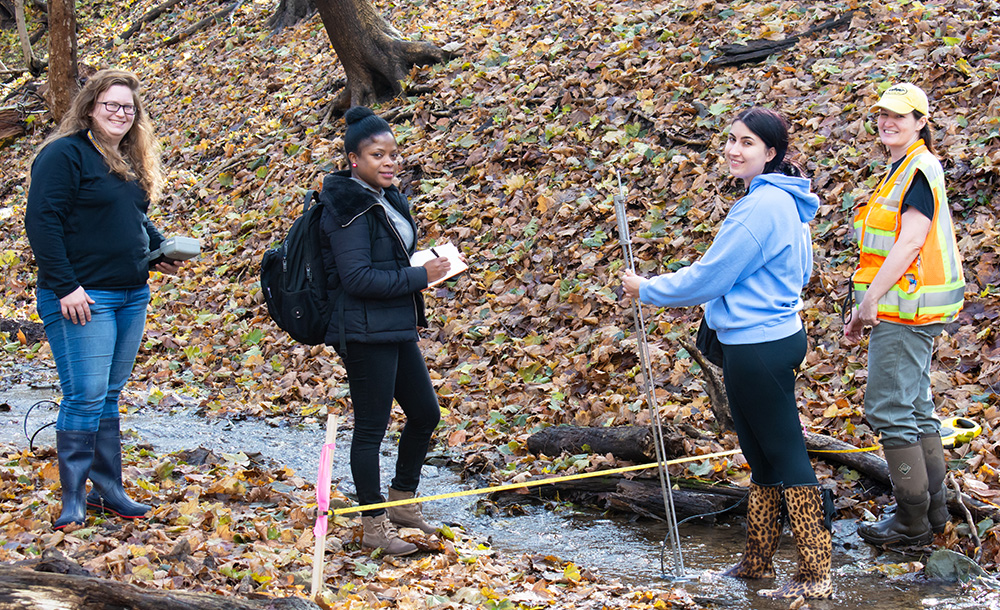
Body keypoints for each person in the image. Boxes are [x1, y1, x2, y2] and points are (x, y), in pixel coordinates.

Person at [622, 107, 832, 599]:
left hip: (761, 344)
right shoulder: (778, 201)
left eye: (748, 143)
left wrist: (647, 288)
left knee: (784, 453)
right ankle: (757, 561)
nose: (735, 150)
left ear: (771, 153)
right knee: (759, 455)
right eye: (732, 140)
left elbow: (712, 275)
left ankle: (817, 575)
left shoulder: (764, 207)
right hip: (759, 339)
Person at [25, 69, 184, 529]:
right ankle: (73, 498)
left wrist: (157, 252)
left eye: (128, 108)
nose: (120, 113)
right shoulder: (64, 154)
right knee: (86, 394)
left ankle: (107, 491)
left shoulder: (126, 158)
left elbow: (131, 219)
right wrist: (65, 286)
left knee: (109, 395)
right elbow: (42, 222)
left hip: (131, 294)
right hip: (82, 295)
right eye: (111, 105)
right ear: (90, 106)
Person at [318, 106, 450, 556]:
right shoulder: (346, 207)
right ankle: (373, 525)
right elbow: (357, 279)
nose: (390, 162)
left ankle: (402, 503)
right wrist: (421, 277)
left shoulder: (387, 196)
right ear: (354, 159)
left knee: (425, 413)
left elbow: (388, 261)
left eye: (394, 153)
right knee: (371, 429)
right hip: (362, 330)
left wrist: (421, 267)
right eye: (378, 155)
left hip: (394, 324)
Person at [844, 83, 965, 546]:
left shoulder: (917, 167)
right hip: (908, 306)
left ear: (920, 122)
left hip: (904, 310)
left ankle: (911, 521)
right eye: (882, 115)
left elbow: (912, 240)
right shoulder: (906, 167)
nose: (887, 122)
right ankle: (933, 514)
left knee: (888, 409)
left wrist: (870, 300)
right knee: (916, 409)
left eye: (899, 115)